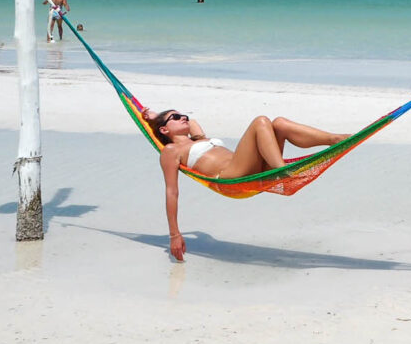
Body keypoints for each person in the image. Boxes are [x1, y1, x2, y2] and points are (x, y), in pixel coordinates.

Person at [142, 108, 346, 261]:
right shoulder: (170, 151)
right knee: (260, 122)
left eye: (182, 115)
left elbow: (193, 121)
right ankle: (283, 171)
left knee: (279, 123)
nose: (183, 118)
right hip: (231, 179)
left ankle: (334, 139)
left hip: (253, 172)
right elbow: (171, 192)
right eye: (176, 118)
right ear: (164, 129)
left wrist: (155, 116)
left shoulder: (198, 138)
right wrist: (175, 235)